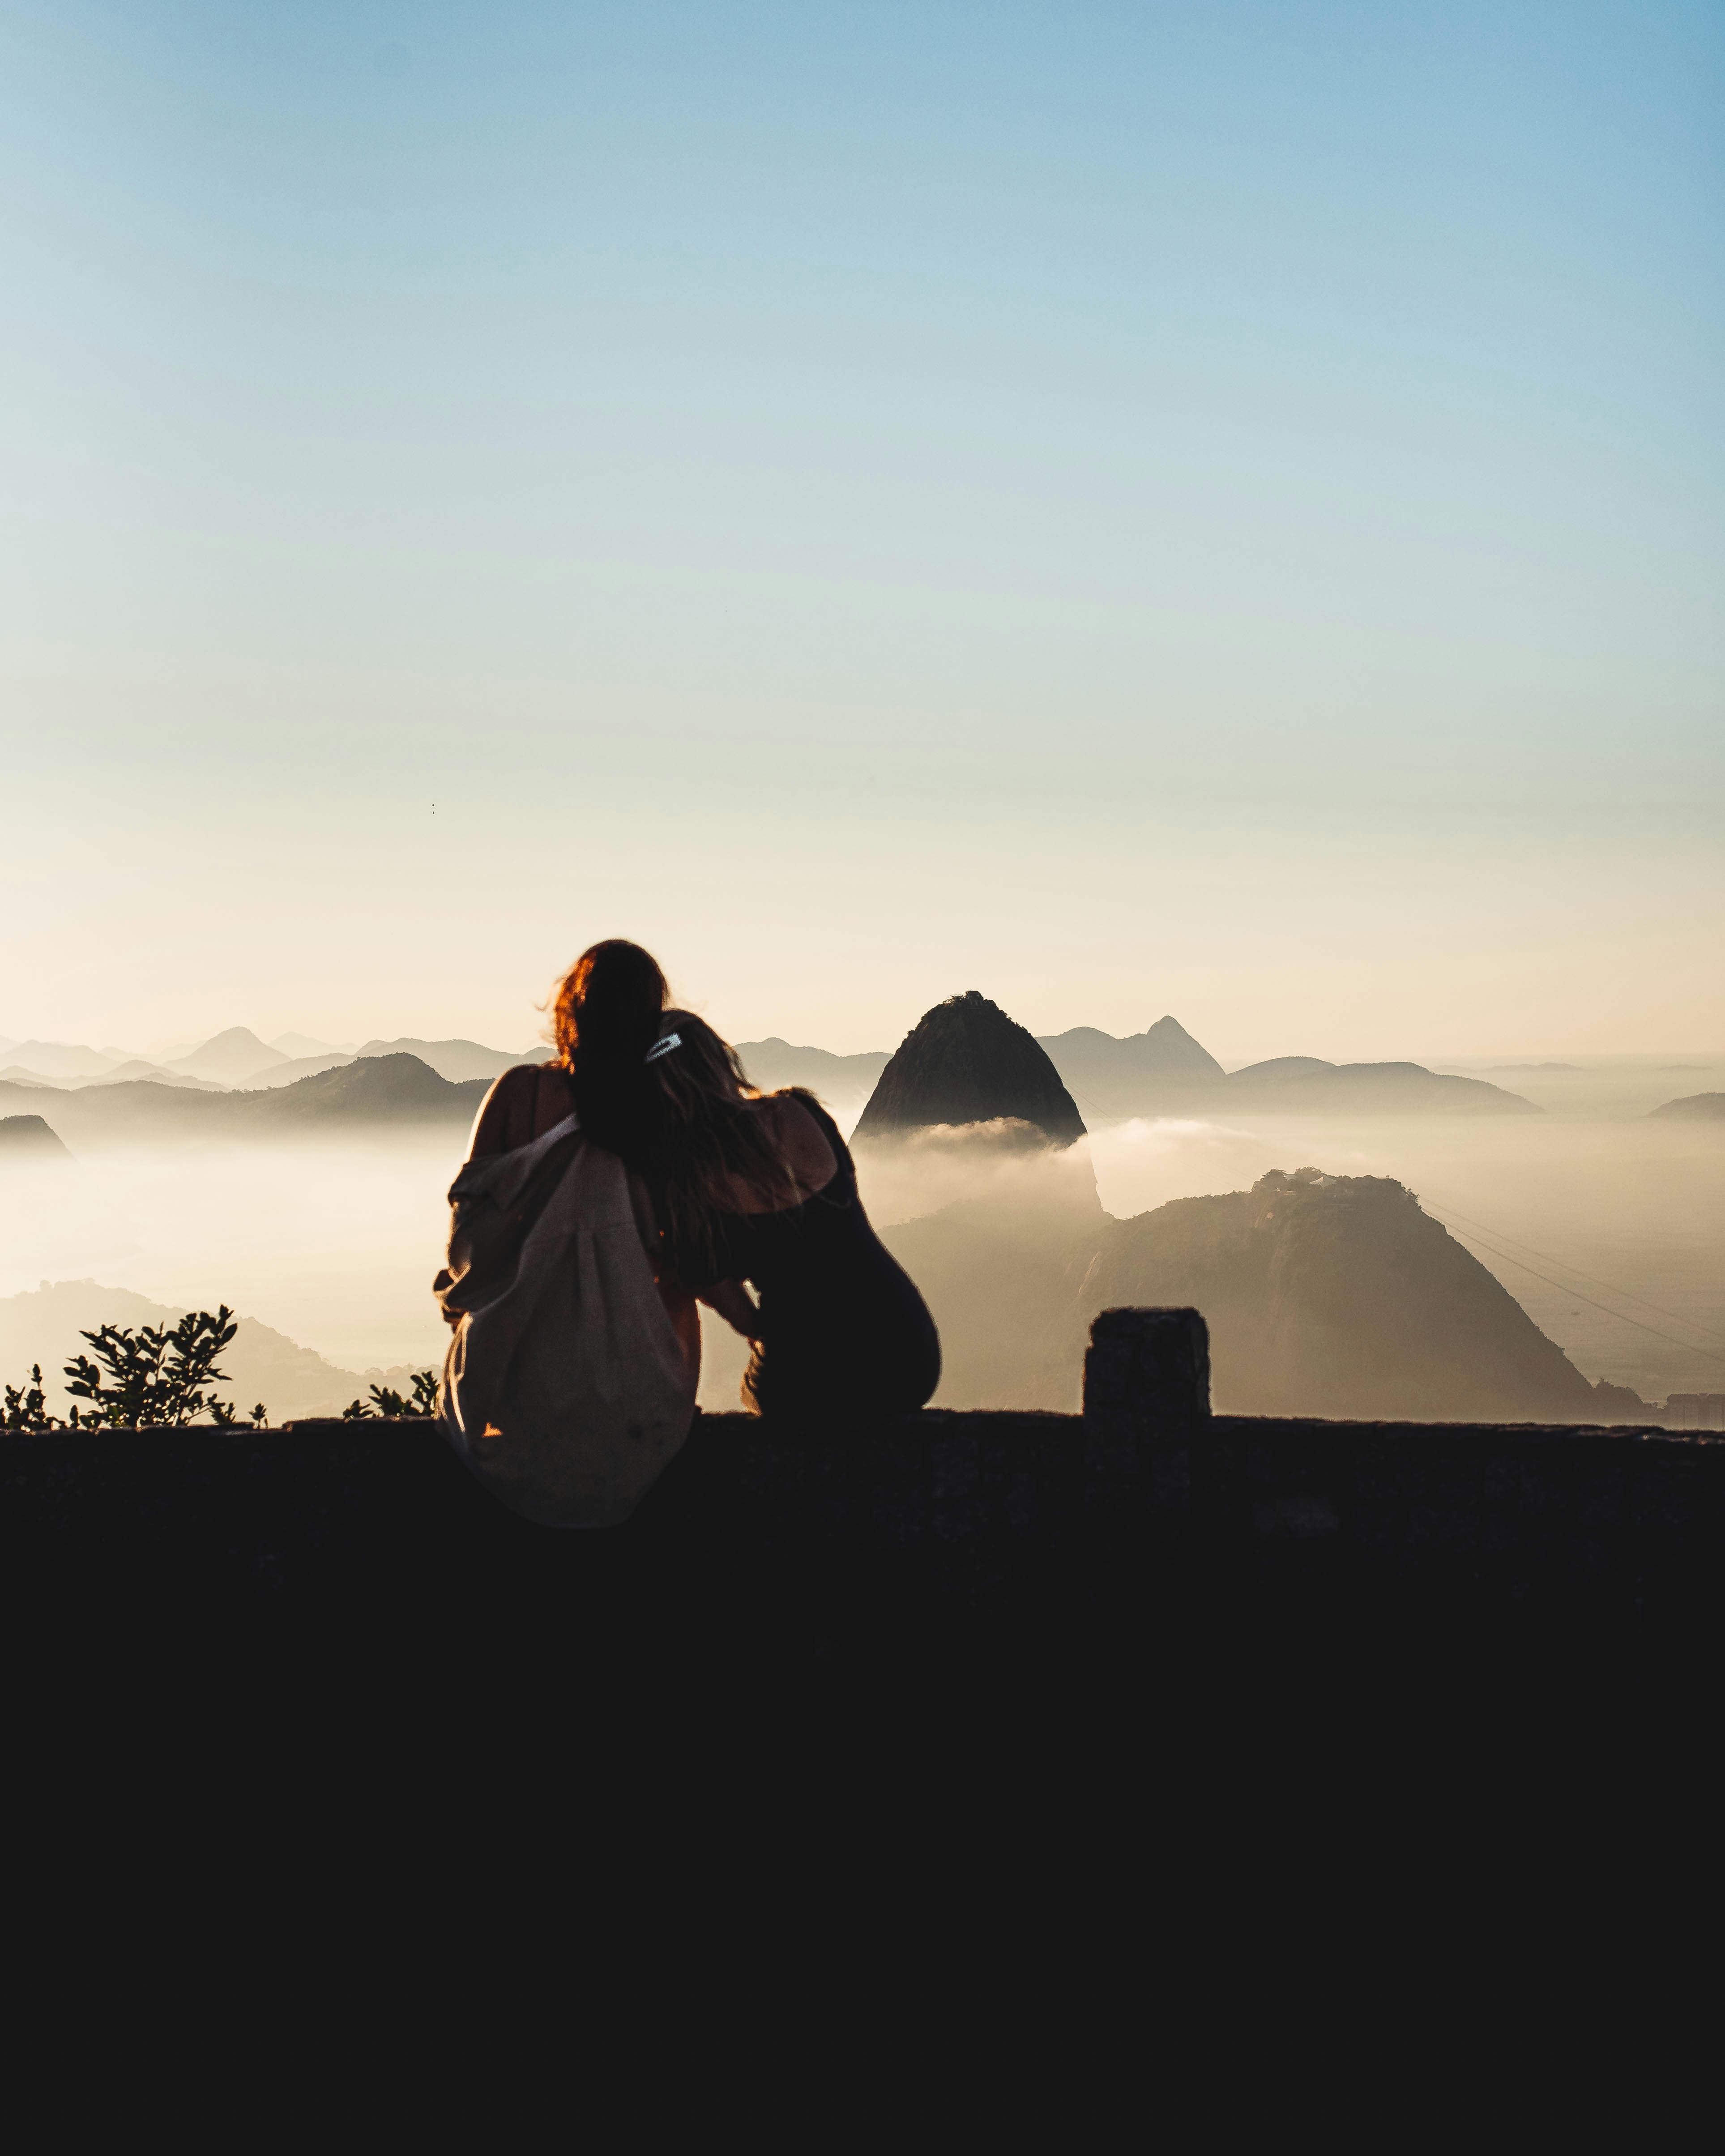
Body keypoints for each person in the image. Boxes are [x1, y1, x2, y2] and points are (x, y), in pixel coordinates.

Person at [463, 940, 940, 1419]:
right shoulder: (803, 1112)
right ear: (721, 1061)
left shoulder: (682, 1188)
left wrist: (765, 1330)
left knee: (756, 1391)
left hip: (804, 1378)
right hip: (910, 1355)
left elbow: (733, 1311)